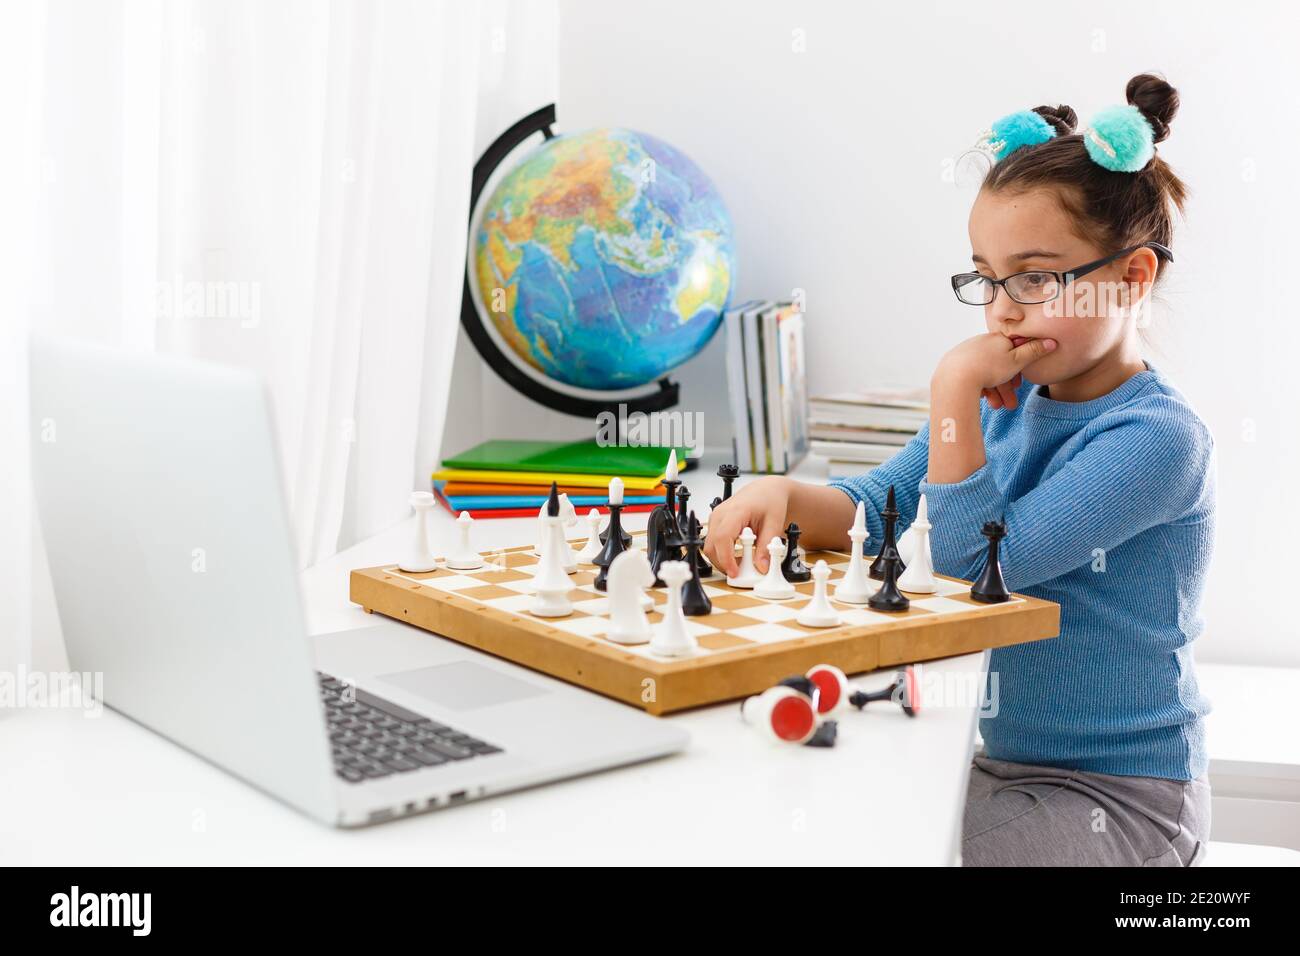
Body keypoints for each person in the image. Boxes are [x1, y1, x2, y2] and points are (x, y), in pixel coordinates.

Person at [704, 74, 1214, 866]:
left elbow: (969, 567)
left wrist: (951, 390)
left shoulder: (1157, 441)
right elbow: (883, 504)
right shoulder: (1001, 401)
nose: (1002, 308)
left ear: (1132, 277)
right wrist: (784, 497)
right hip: (996, 767)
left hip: (1119, 801)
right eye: (986, 275)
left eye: (1036, 277)